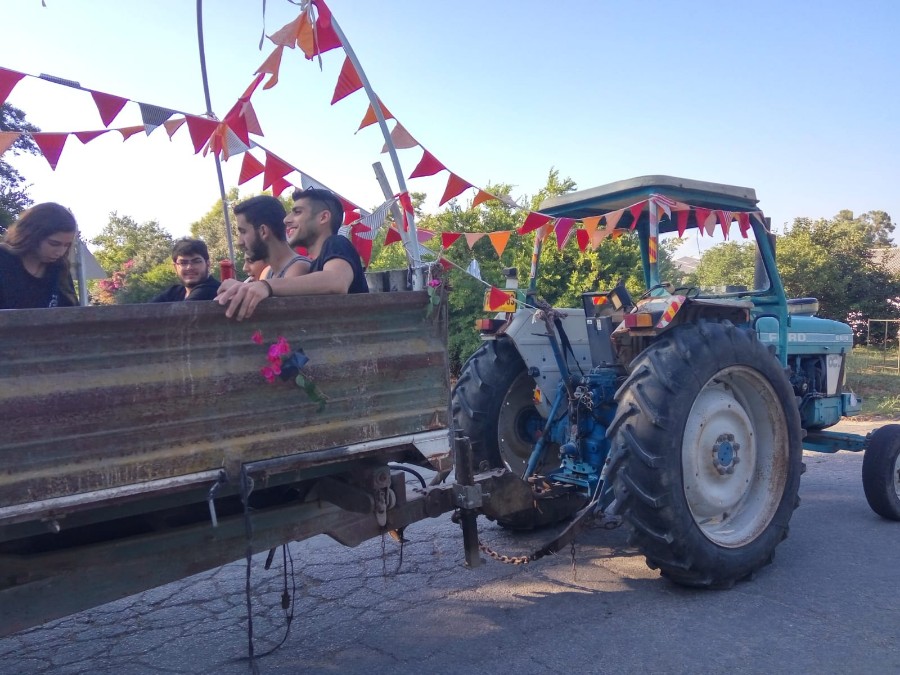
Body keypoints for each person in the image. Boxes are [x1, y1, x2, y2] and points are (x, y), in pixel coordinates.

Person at [217, 187, 368, 320]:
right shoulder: (316, 264)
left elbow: (337, 281)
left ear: (323, 217)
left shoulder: (336, 242)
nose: (286, 220)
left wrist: (266, 286)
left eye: (297, 212)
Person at [0, 202, 78, 309]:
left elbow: (72, 314)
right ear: (32, 235)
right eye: (54, 244)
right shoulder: (3, 259)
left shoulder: (59, 267)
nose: (60, 252)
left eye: (66, 245)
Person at [233, 195, 311, 282]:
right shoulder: (269, 272)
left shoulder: (298, 269)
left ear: (263, 231)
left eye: (243, 232)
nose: (239, 242)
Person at [151, 238, 220, 302]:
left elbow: (184, 311)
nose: (189, 267)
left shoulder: (213, 289)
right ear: (175, 267)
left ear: (208, 264)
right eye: (183, 262)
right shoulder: (175, 292)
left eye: (196, 261)